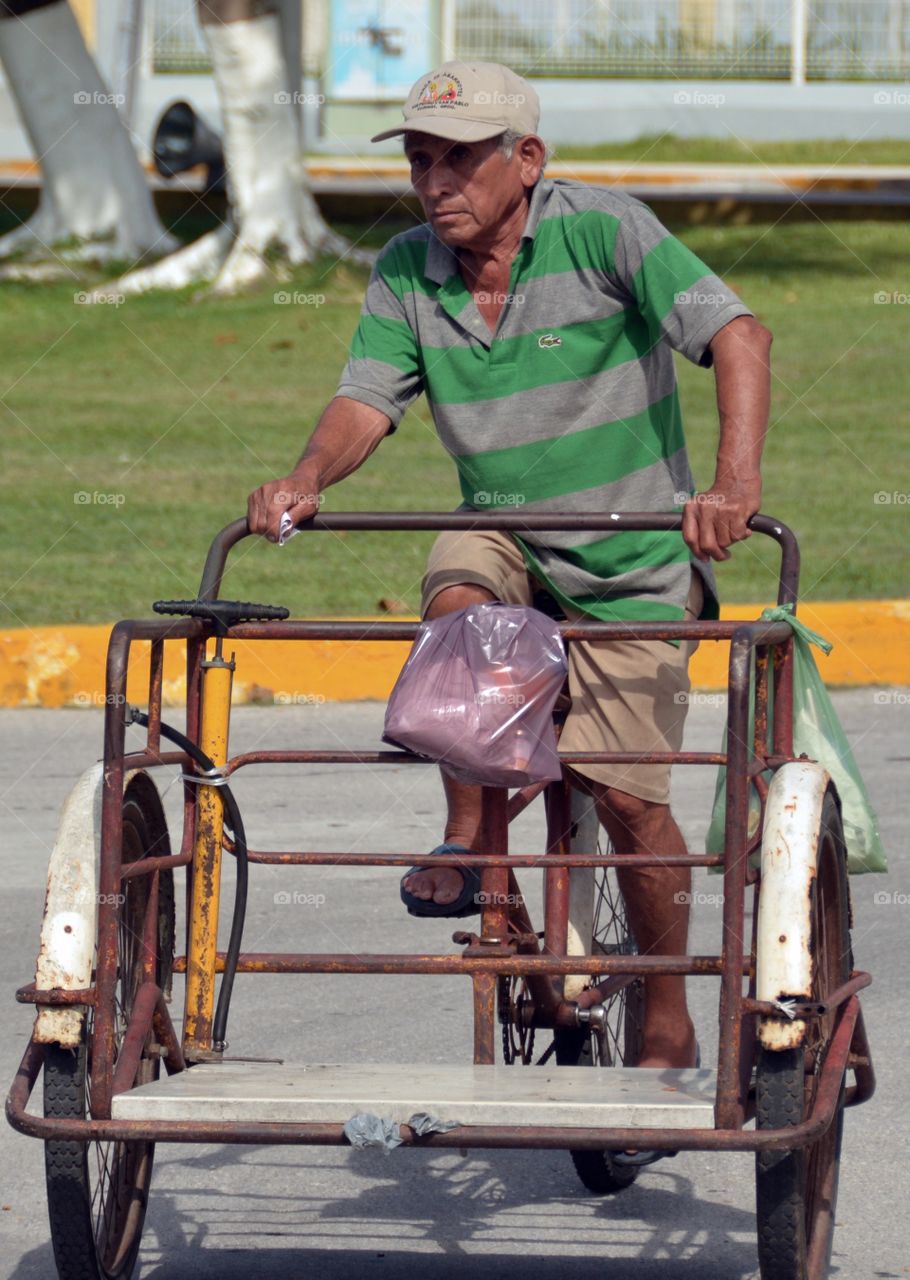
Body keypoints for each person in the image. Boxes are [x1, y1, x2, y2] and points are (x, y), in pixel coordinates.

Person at [247, 62, 772, 1097]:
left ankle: (664, 1005)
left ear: (525, 159)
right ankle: (472, 837)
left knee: (626, 800)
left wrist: (732, 484)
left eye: (461, 157)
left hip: (628, 559)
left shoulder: (605, 231)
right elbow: (366, 398)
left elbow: (738, 332)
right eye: (419, 157)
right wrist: (305, 475)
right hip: (506, 539)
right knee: (456, 594)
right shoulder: (406, 267)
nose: (435, 179)